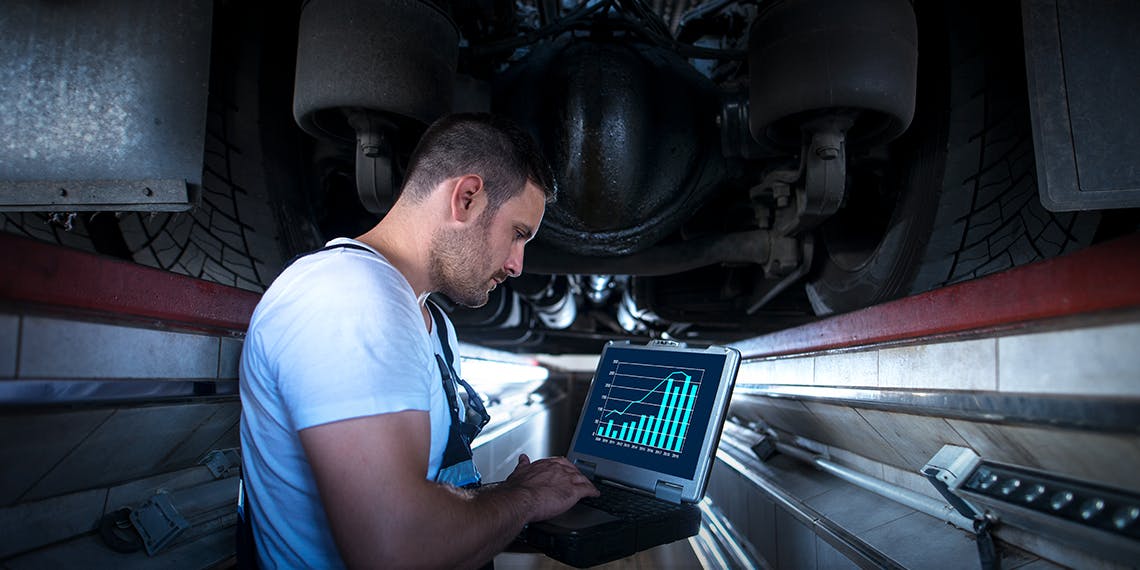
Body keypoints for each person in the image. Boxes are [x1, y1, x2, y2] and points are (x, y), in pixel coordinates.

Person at [239, 113, 599, 568]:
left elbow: (421, 498)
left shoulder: (429, 322)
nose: (517, 265)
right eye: (518, 234)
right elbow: (395, 548)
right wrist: (525, 499)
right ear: (467, 198)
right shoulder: (348, 295)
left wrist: (509, 496)